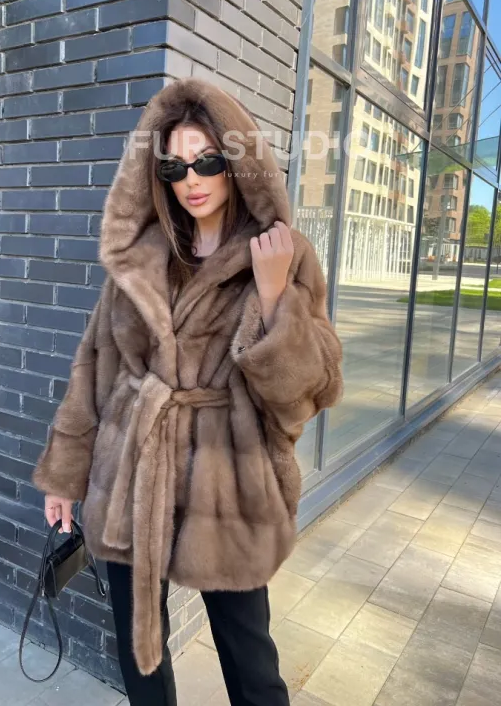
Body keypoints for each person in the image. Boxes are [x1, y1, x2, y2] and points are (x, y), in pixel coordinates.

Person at [32, 77, 343, 706]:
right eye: (174, 166)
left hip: (227, 475)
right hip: (132, 467)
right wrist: (66, 475)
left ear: (236, 162)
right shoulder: (140, 258)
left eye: (207, 161)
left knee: (251, 661)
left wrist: (275, 298)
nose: (191, 179)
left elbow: (310, 391)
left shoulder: (282, 255)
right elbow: (93, 369)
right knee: (139, 652)